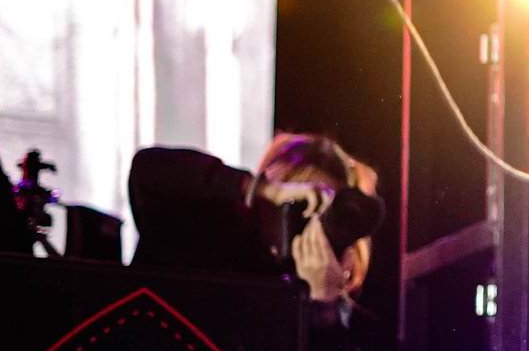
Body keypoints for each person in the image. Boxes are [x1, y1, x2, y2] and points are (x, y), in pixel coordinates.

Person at [127, 131, 383, 311]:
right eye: (296, 205)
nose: (307, 222)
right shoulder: (211, 228)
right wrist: (257, 189)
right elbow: (148, 171)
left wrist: (320, 304)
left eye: (320, 214)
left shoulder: (327, 280)